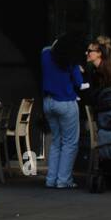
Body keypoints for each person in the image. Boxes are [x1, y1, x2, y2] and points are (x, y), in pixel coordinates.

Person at [41, 33, 85, 189]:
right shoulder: (70, 61)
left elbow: (48, 48)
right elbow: (79, 83)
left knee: (56, 142)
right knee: (70, 143)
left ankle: (51, 179)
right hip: (66, 102)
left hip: (48, 102)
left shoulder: (46, 55)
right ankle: (63, 179)